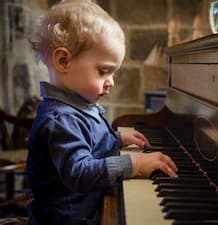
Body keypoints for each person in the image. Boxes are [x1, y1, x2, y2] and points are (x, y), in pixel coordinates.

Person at [26, 0, 177, 224]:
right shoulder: (60, 119)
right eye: (104, 71)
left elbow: (90, 142)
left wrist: (115, 139)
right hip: (69, 218)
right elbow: (80, 172)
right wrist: (134, 165)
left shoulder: (78, 106)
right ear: (63, 60)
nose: (111, 83)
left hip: (85, 209)